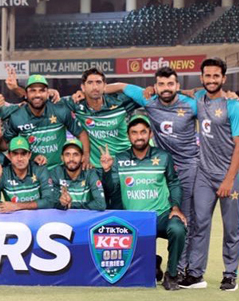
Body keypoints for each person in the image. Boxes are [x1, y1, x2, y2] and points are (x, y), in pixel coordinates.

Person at [104, 66, 198, 279]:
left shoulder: (188, 103)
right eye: (161, 84)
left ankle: (180, 268)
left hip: (187, 166)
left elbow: (206, 99)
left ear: (178, 86)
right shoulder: (149, 100)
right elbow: (119, 85)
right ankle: (152, 260)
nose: (166, 88)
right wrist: (92, 91)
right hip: (163, 162)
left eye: (170, 84)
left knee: (184, 219)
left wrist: (199, 92)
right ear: (155, 86)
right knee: (145, 203)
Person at [100, 114, 186, 291]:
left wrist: (176, 207)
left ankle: (171, 275)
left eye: (143, 132)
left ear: (150, 134)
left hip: (159, 216)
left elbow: (174, 183)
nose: (139, 136)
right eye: (134, 132)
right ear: (128, 136)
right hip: (132, 220)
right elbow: (110, 190)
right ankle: (153, 262)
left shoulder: (163, 157)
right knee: (137, 273)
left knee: (177, 228)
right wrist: (107, 171)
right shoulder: (119, 159)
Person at [181, 58, 239, 291]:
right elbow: (186, 91)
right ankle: (195, 274)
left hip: (231, 177)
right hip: (204, 175)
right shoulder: (198, 98)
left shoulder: (233, 105)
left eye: (217, 76)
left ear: (223, 78)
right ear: (202, 77)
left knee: (232, 227)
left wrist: (228, 179)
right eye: (208, 76)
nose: (212, 80)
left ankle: (229, 274)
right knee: (199, 224)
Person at [0, 75, 91, 171]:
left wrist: (86, 155)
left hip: (59, 171)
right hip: (31, 172)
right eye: (33, 91)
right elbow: (5, 145)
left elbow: (81, 134)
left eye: (42, 90)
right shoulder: (17, 117)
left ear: (48, 93)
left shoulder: (60, 110)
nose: (37, 95)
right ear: (25, 94)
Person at [59, 68, 138, 167]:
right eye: (90, 83)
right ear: (83, 87)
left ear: (105, 86)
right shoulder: (76, 103)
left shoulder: (119, 101)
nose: (95, 87)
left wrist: (121, 86)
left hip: (124, 164)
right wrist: (51, 91)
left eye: (98, 82)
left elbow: (145, 95)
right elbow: (47, 103)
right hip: (96, 168)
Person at [0, 136, 56, 212]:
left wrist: (17, 206)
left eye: (23, 153)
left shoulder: (40, 169)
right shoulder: (3, 173)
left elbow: (50, 202)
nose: (20, 158)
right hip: (14, 221)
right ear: (9, 156)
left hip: (38, 219)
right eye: (15, 154)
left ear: (29, 155)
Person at [50, 139, 105, 210]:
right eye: (67, 154)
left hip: (86, 219)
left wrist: (70, 205)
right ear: (62, 158)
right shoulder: (56, 173)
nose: (71, 159)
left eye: (75, 154)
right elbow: (50, 202)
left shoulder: (90, 173)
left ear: (82, 158)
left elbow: (101, 204)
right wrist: (61, 203)